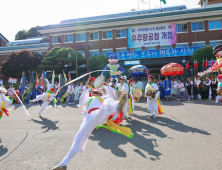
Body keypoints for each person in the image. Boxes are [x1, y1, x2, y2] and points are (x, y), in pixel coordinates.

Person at [52, 84, 127, 170]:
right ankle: (63, 163)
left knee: (107, 102)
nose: (95, 93)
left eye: (97, 92)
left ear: (100, 94)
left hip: (99, 115)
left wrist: (107, 86)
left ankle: (117, 105)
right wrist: (85, 91)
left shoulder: (104, 98)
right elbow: (81, 102)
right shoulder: (88, 99)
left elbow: (112, 96)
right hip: (89, 118)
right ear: (91, 93)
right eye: (94, 92)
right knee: (78, 139)